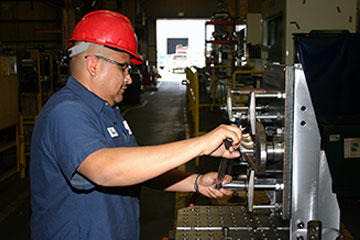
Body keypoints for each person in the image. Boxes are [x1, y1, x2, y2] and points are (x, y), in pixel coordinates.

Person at [30, 10, 242, 240]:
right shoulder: (66, 111)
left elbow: (136, 170)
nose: (129, 78)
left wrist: (196, 182)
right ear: (93, 65)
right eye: (123, 67)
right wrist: (201, 144)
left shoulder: (108, 109)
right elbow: (105, 170)